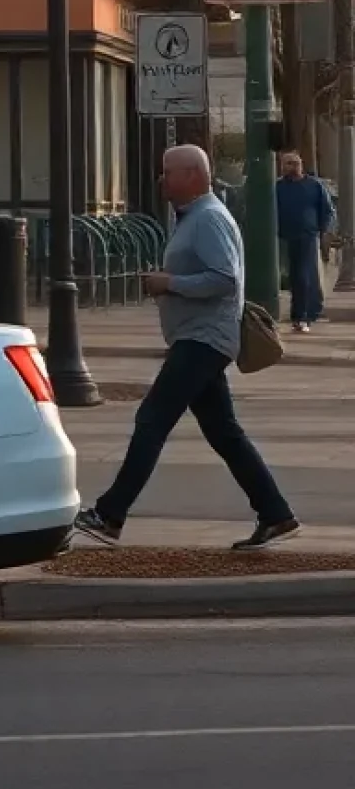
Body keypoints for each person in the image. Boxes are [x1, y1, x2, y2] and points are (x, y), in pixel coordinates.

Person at [74, 144, 299, 552]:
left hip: (203, 340)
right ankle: (276, 512)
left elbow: (225, 280)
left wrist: (169, 283)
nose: (162, 180)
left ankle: (110, 514)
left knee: (152, 419)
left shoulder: (209, 218)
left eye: (168, 172)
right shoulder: (192, 218)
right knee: (224, 433)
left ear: (193, 175)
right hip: (197, 337)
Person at [276, 150, 334, 333]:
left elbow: (327, 210)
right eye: (287, 163)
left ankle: (303, 315)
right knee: (294, 277)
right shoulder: (278, 187)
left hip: (307, 236)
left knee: (304, 275)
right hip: (283, 237)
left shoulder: (314, 185)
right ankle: (305, 313)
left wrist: (326, 231)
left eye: (295, 162)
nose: (292, 167)